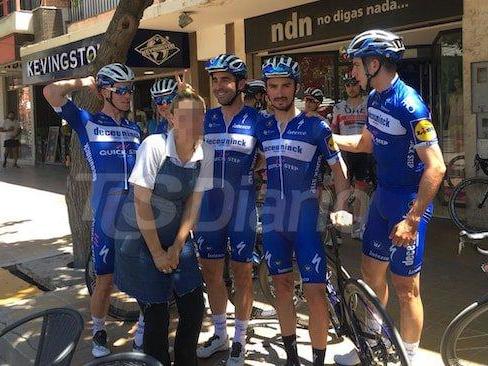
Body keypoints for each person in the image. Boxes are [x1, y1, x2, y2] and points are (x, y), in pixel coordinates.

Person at [332, 30, 446, 365]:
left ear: (374, 63)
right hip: (383, 199)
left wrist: (412, 219)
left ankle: (409, 357)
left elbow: (436, 167)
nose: (352, 73)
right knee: (370, 273)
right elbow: (366, 143)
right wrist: (330, 137)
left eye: (355, 65)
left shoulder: (410, 104)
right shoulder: (375, 99)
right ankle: (372, 343)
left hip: (408, 205)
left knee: (405, 288)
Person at [256, 55, 351, 366]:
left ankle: (319, 360)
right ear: (266, 90)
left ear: (295, 88)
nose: (279, 92)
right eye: (273, 87)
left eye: (285, 86)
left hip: (306, 219)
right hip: (273, 219)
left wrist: (340, 205)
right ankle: (292, 358)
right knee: (282, 287)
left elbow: (339, 171)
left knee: (315, 293)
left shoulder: (316, 127)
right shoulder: (263, 126)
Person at [43, 63, 142, 358]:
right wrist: (84, 81)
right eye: (120, 90)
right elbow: (50, 92)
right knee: (105, 278)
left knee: (141, 274)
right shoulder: (88, 122)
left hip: (137, 214)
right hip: (106, 214)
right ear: (104, 92)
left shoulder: (134, 128)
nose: (127, 95)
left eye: (130, 89)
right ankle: (98, 329)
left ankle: (145, 326)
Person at [114, 86, 213, 365]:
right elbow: (141, 202)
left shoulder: (207, 152)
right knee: (156, 315)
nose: (191, 123)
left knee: (194, 307)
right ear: (171, 117)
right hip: (138, 238)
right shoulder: (154, 146)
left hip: (174, 237)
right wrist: (158, 253)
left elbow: (193, 204)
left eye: (197, 116)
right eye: (183, 116)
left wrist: (177, 246)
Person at [195, 54, 260, 366]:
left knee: (243, 272)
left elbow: (269, 155)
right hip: (209, 205)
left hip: (243, 205)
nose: (218, 86)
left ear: (241, 84)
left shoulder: (258, 119)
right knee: (210, 272)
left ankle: (239, 338)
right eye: (214, 80)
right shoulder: (205, 118)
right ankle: (220, 333)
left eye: (225, 80)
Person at [331, 72, 370, 238]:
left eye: (354, 84)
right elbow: (333, 130)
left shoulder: (369, 103)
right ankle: (339, 230)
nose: (351, 88)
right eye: (347, 85)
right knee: (343, 189)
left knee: (362, 188)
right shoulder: (338, 107)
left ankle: (359, 226)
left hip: (364, 151)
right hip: (345, 152)